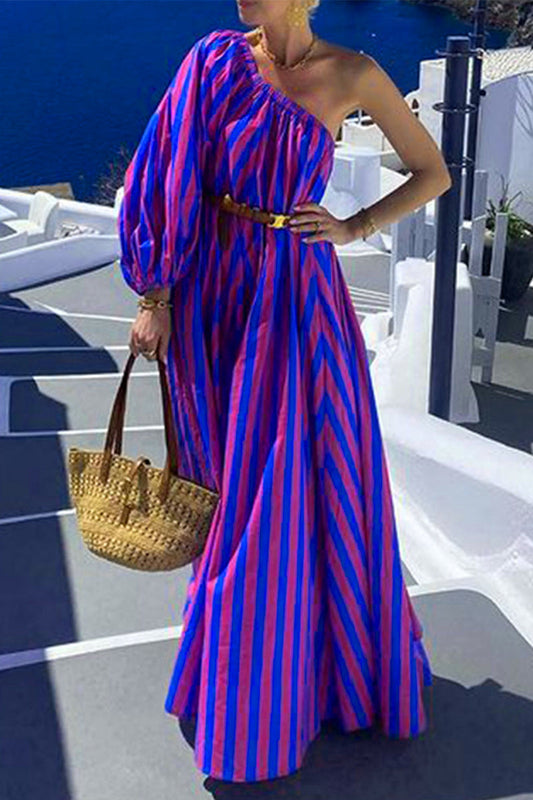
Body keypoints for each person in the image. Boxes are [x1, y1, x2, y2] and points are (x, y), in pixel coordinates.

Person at [118, 0, 450, 783]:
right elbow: (163, 173)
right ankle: (248, 668)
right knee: (223, 482)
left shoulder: (353, 73)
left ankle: (266, 702)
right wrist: (154, 294)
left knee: (285, 486)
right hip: (212, 295)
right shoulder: (214, 60)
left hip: (297, 300)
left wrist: (353, 226)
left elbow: (431, 173)